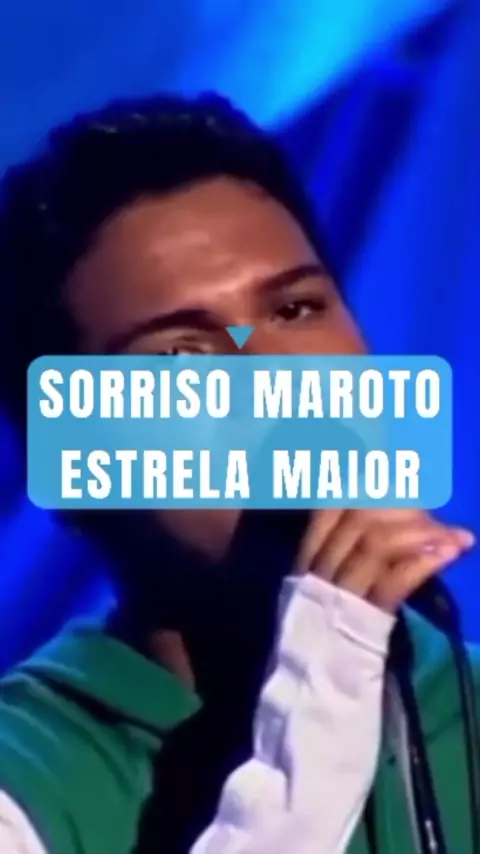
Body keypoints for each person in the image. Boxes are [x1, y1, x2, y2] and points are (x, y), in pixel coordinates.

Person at [0, 93, 476, 854]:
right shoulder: (27, 782)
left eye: (295, 310)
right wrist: (323, 694)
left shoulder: (463, 704)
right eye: (178, 354)